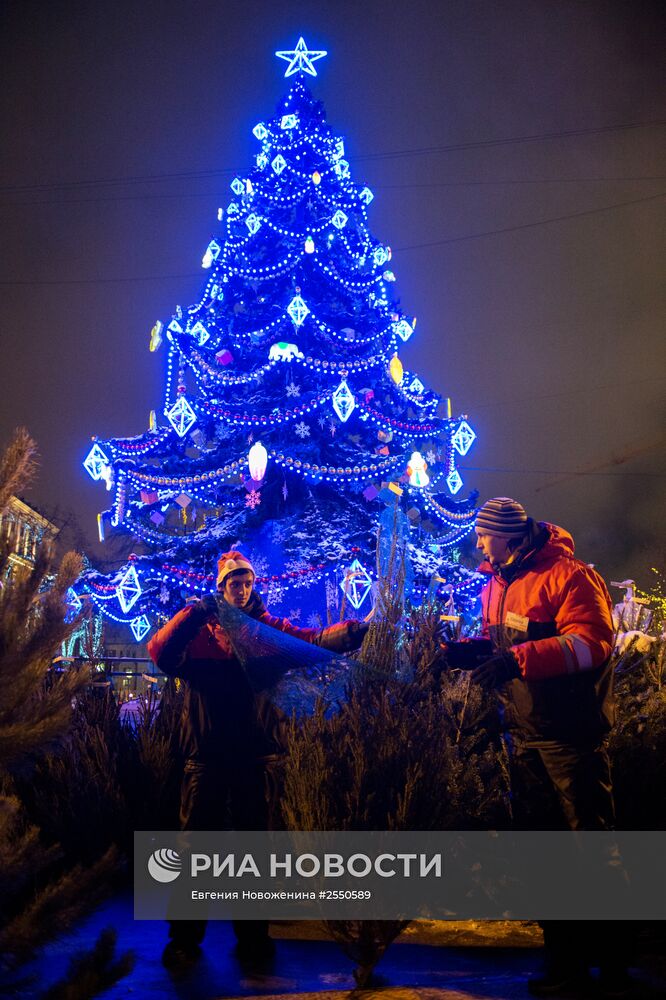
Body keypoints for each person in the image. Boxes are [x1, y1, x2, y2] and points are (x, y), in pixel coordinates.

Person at [148, 550, 368, 971]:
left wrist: (349, 633)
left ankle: (253, 937)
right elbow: (160, 652)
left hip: (255, 755)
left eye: (247, 582)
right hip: (206, 757)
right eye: (234, 582)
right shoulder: (200, 633)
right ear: (220, 587)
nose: (242, 588)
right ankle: (184, 940)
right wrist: (195, 613)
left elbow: (309, 642)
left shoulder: (265, 631)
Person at [460, 498, 630, 998]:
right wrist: (473, 653)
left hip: (570, 734)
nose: (479, 544)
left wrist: (517, 661)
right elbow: (507, 647)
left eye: (485, 536)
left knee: (592, 851)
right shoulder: (498, 581)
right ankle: (566, 959)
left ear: (509, 538)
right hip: (528, 731)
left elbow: (592, 643)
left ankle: (614, 964)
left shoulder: (569, 577)